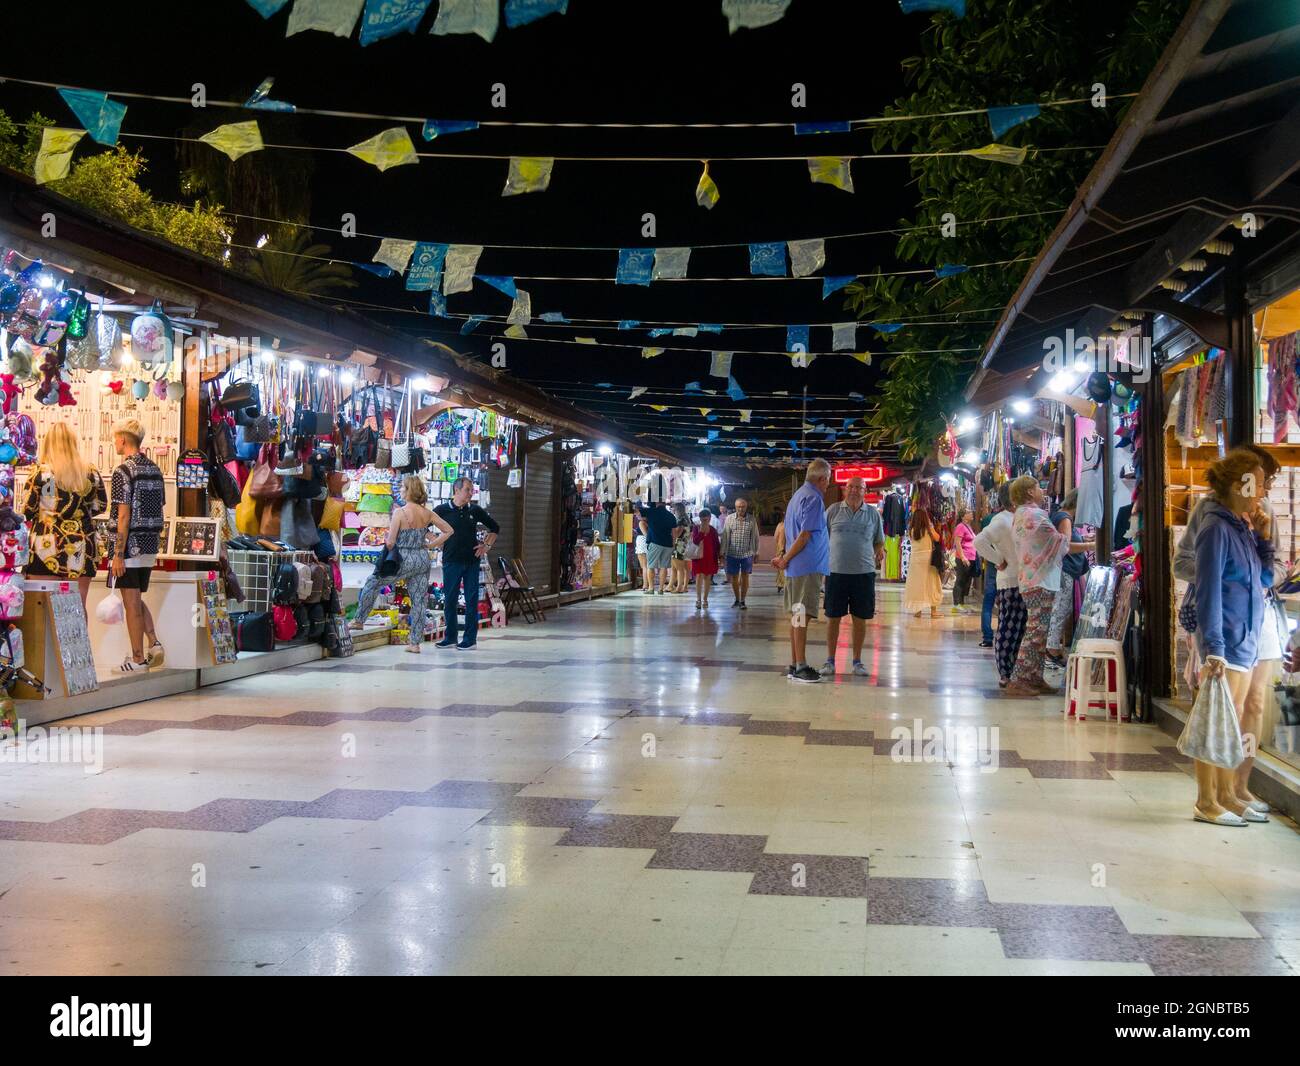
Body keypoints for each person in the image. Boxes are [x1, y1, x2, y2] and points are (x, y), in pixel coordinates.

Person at [1177, 445, 1280, 823]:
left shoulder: (1242, 527)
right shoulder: (1216, 527)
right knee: (1216, 720)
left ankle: (1226, 794)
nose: (1266, 489)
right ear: (1241, 484)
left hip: (1246, 638)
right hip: (1226, 640)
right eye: (1261, 481)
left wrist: (1265, 539)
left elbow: (1265, 580)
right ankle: (1207, 800)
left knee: (1232, 720)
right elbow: (1208, 590)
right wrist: (1214, 647)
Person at [1005, 475, 1093, 696]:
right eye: (1037, 487)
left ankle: (1034, 677)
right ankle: (1019, 680)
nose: (1042, 490)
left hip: (1032, 579)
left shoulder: (1022, 514)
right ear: (1028, 492)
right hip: (1039, 580)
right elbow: (1061, 542)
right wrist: (1089, 541)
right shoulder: (1034, 515)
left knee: (1040, 632)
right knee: (1035, 632)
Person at [351, 475, 452, 652]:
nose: (400, 490)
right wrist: (431, 545)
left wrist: (391, 542)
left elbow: (390, 542)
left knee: (372, 583)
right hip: (421, 558)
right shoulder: (427, 513)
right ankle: (415, 643)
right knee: (419, 600)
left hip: (402, 559)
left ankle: (359, 620)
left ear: (409, 490)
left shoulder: (399, 512)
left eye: (403, 488)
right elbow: (448, 530)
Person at [22, 421, 107, 613]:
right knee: (77, 608)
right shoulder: (90, 472)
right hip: (82, 545)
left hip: (45, 546)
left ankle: (43, 645)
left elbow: (27, 509)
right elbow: (100, 505)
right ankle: (77, 643)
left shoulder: (41, 474)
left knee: (40, 608)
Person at [108, 418, 166, 673]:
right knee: (136, 597)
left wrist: (118, 553)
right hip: (150, 543)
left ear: (123, 439)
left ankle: (138, 657)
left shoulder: (123, 472)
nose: (114, 443)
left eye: (115, 439)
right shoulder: (154, 468)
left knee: (130, 602)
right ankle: (154, 642)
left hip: (129, 545)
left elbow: (123, 515)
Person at [773, 459, 831, 684]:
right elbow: (805, 535)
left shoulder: (797, 496)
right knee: (801, 616)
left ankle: (794, 662)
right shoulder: (814, 498)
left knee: (796, 616)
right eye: (828, 480)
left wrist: (785, 558)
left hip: (799, 567)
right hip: (806, 566)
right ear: (822, 478)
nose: (828, 485)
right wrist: (785, 559)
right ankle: (801, 666)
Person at [819, 476, 884, 678]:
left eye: (859, 487)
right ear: (844, 489)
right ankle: (830, 661)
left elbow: (879, 541)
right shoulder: (832, 511)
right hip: (836, 572)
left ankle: (857, 661)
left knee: (860, 619)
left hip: (863, 574)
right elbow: (821, 539)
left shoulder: (873, 514)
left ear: (865, 490)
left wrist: (879, 552)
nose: (855, 490)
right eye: (851, 487)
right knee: (833, 618)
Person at [433, 476, 499, 650]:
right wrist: (435, 541)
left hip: (471, 562)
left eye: (472, 490)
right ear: (456, 490)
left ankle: (470, 639)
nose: (471, 493)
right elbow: (423, 525)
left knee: (471, 600)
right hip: (451, 561)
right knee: (450, 600)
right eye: (467, 490)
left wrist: (486, 546)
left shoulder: (475, 510)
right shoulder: (441, 510)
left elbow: (495, 527)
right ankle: (450, 637)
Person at [974, 483, 1023, 686]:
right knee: (1008, 627)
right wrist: (998, 559)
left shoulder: (1017, 518)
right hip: (1010, 582)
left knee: (1019, 629)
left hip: (1023, 581)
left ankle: (1015, 671)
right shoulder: (1002, 520)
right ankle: (1005, 672)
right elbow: (979, 541)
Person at [1045, 489, 1084, 667]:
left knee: (1061, 608)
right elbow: (1065, 546)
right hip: (1064, 570)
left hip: (1062, 570)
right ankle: (1052, 650)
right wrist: (1091, 545)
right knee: (1060, 608)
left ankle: (1052, 648)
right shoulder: (1064, 518)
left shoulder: (1060, 516)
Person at [639, 482, 680, 596]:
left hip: (655, 543)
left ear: (656, 502)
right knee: (663, 567)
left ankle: (651, 588)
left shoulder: (651, 512)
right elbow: (674, 532)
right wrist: (673, 544)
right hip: (667, 544)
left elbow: (638, 513)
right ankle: (661, 589)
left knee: (651, 566)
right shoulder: (671, 515)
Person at [902, 505, 943, 618]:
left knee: (917, 584)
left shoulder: (912, 530)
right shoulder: (928, 530)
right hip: (928, 560)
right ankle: (933, 611)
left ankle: (917, 611)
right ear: (925, 518)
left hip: (915, 560)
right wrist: (931, 527)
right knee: (932, 583)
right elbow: (937, 538)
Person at [720, 496, 760, 609]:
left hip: (747, 554)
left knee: (745, 577)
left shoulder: (751, 519)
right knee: (734, 577)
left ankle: (743, 600)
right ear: (735, 507)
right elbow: (725, 536)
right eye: (738, 507)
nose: (740, 509)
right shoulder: (729, 519)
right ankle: (737, 599)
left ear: (746, 507)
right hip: (732, 553)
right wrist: (722, 553)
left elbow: (756, 537)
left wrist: (756, 552)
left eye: (742, 507)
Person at [977, 498, 1000, 648]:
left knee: (988, 602)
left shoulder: (986, 520)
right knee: (1006, 603)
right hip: (1008, 564)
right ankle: (1004, 637)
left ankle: (987, 637)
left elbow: (980, 541)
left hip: (992, 563)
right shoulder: (1011, 518)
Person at [690, 509, 721, 609]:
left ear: (710, 518)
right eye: (703, 520)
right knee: (698, 577)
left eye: (706, 520)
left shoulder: (713, 530)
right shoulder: (696, 528)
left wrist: (720, 556)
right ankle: (698, 599)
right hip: (699, 557)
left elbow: (717, 544)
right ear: (700, 519)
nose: (705, 521)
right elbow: (695, 541)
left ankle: (705, 599)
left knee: (708, 578)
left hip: (710, 557)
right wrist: (702, 532)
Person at [951, 508, 978, 613]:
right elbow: (957, 543)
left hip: (970, 557)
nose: (972, 513)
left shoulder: (968, 527)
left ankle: (961, 603)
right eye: (969, 512)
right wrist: (962, 557)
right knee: (960, 580)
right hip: (964, 558)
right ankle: (956, 604)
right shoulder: (960, 527)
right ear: (963, 516)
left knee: (966, 581)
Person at [670, 504, 691, 593]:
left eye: (673, 509)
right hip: (685, 545)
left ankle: (679, 587)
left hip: (679, 545)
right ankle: (684, 587)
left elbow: (677, 534)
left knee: (679, 568)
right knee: (684, 568)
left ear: (677, 510)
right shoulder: (687, 519)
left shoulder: (681, 520)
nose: (672, 511)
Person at [632, 504, 650, 592]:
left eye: (637, 513)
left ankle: (645, 585)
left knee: (644, 566)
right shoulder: (648, 522)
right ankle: (647, 585)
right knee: (646, 565)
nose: (636, 514)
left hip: (642, 544)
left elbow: (645, 535)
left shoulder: (641, 523)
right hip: (644, 544)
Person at [773, 513, 787, 591]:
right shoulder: (786, 526)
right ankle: (782, 584)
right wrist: (782, 550)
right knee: (783, 567)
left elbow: (775, 537)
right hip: (784, 548)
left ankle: (779, 584)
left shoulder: (780, 524)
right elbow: (782, 539)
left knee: (780, 568)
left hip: (779, 548)